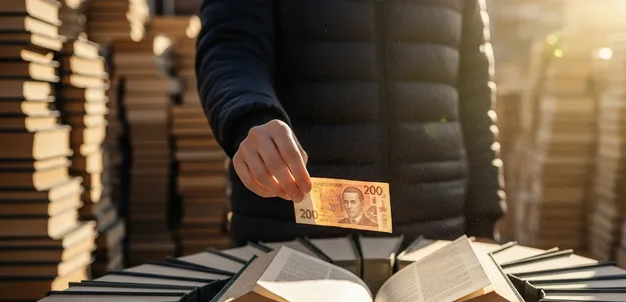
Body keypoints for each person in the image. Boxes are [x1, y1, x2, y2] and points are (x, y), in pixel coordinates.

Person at [195, 0, 506, 245]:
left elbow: (475, 96)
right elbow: (231, 46)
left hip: (437, 236)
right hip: (294, 239)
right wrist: (251, 116)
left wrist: (483, 220)